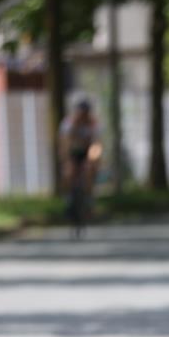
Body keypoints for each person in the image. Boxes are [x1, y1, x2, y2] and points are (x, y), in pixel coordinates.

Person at [58, 96, 102, 237]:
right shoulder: (68, 123)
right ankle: (68, 197)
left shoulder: (93, 123)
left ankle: (88, 196)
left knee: (89, 168)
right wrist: (66, 160)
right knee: (68, 172)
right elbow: (64, 143)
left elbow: (97, 144)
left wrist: (93, 160)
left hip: (87, 152)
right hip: (72, 152)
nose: (83, 115)